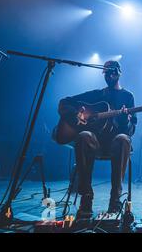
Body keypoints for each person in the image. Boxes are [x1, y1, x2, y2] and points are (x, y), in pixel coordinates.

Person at [57, 60, 136, 219]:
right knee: (84, 136)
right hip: (95, 143)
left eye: (112, 72)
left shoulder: (128, 97)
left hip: (115, 144)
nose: (109, 75)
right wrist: (75, 116)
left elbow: (131, 129)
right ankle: (86, 199)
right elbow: (64, 102)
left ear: (119, 72)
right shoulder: (97, 94)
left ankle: (115, 202)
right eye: (106, 73)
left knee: (123, 139)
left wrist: (125, 120)